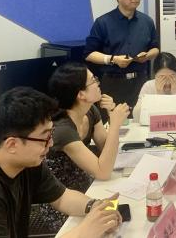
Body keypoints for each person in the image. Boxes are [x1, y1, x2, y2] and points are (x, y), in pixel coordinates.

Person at [0, 87, 122, 238]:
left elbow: (62, 197)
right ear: (12, 144)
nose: (51, 143)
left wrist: (94, 207)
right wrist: (84, 232)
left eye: (51, 133)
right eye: (45, 137)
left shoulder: (25, 162)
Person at [35, 62, 130, 230]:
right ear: (81, 94)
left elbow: (106, 150)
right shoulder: (62, 129)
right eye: (93, 80)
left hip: (87, 189)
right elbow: (103, 171)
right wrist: (115, 125)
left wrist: (111, 115)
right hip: (64, 202)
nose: (98, 83)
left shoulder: (90, 111)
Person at [84, 0, 159, 118]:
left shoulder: (147, 21)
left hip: (140, 82)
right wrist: (113, 59)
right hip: (113, 83)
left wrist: (147, 56)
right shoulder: (103, 22)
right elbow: (89, 54)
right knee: (112, 123)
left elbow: (155, 48)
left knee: (141, 121)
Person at [133, 52, 176, 122]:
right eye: (162, 77)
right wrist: (159, 96)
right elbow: (136, 116)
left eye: (172, 76)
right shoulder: (148, 86)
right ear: (155, 75)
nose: (167, 82)